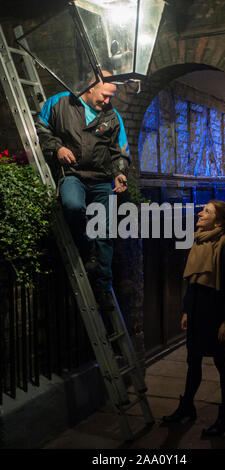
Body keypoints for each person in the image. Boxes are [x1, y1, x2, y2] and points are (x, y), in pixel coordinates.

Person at [36, 71, 130, 309]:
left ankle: (103, 287)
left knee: (106, 233)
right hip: (73, 174)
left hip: (101, 180)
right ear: (90, 87)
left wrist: (119, 173)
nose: (108, 101)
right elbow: (41, 130)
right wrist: (57, 149)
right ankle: (89, 249)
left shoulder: (113, 116)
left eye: (111, 97)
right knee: (73, 205)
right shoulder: (59, 103)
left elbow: (119, 151)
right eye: (105, 96)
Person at [162, 200, 225, 437]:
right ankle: (187, 407)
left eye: (206, 211)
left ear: (218, 221)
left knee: (222, 365)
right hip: (197, 312)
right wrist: (187, 310)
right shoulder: (199, 240)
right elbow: (193, 282)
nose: (200, 213)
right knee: (193, 361)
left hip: (215, 315)